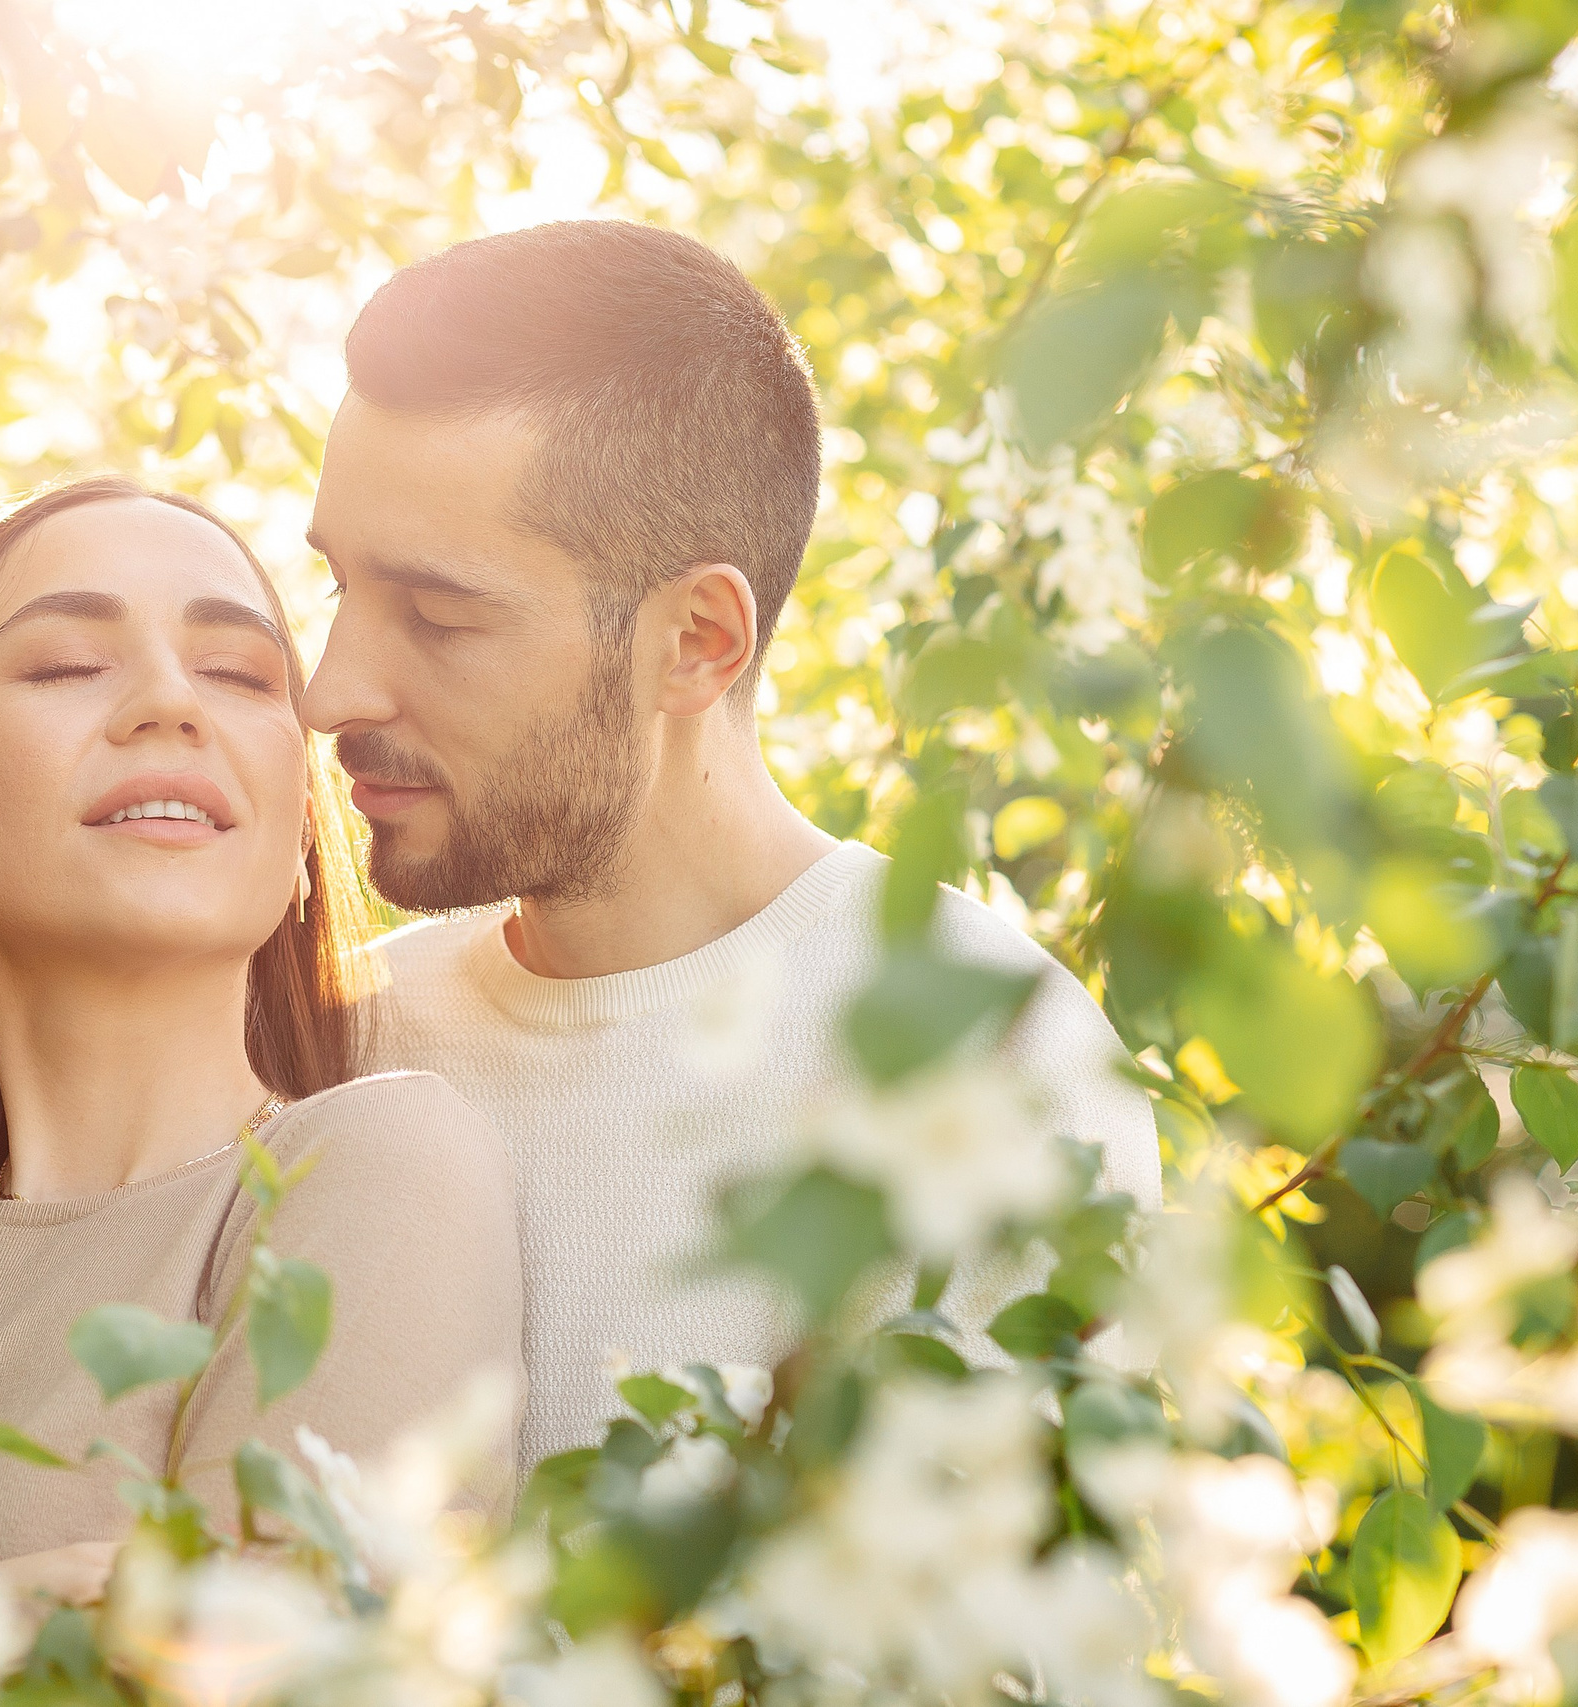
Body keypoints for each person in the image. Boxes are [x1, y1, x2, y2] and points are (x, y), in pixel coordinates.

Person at [301, 221, 1162, 1469]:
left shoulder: (983, 1060)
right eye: (338, 588)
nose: (329, 694)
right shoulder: (340, 1041)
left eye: (437, 615)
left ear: (697, 639)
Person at [0, 477, 523, 1602]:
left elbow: (300, 1670)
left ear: (296, 841)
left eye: (238, 676)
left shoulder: (369, 1170)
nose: (170, 704)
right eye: (66, 665)